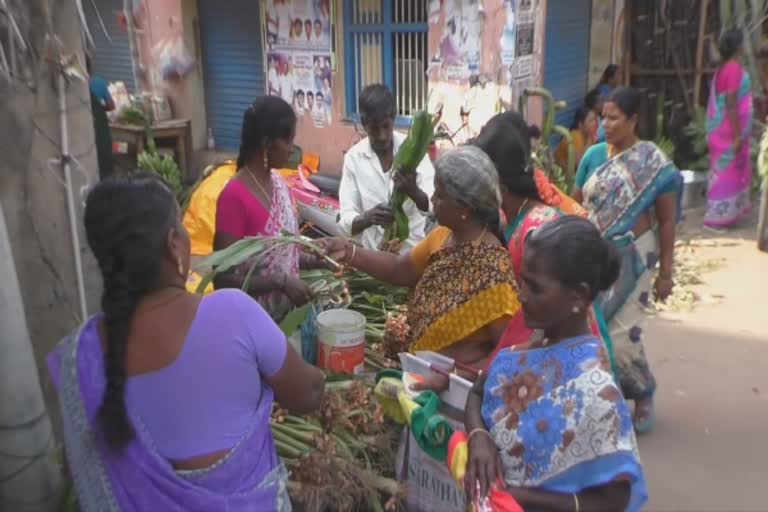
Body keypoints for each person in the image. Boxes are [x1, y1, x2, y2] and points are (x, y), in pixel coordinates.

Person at [47, 173, 325, 510]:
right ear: (174, 244)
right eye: (181, 224)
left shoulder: (80, 356)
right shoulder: (232, 312)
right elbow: (307, 394)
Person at [463, 216, 647, 512]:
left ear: (578, 296)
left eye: (535, 288)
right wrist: (479, 437)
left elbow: (615, 501)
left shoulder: (598, 394)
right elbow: (476, 392)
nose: (521, 295)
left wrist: (521, 498)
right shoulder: (523, 351)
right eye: (522, 281)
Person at [325, 146, 519, 369]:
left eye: (440, 195)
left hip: (455, 392)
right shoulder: (442, 237)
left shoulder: (495, 270)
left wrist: (459, 378)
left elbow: (507, 353)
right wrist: (350, 253)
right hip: (418, 376)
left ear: (464, 207)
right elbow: (399, 268)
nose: (433, 199)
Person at [573, 87, 682, 433]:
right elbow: (575, 206)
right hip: (594, 257)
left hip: (634, 257)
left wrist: (666, 272)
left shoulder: (653, 163)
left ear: (634, 120)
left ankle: (643, 392)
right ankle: (603, 401)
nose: (606, 124)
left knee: (623, 339)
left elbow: (667, 221)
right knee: (590, 333)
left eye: (614, 118)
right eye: (604, 116)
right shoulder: (592, 157)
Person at [471, 111, 614, 372]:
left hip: (570, 354)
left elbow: (537, 314)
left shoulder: (535, 230)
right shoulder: (512, 216)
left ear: (499, 186)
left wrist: (493, 368)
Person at [213, 96, 316, 321]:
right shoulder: (234, 197)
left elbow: (283, 255)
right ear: (267, 144)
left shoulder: (279, 183)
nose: (292, 149)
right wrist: (280, 282)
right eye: (288, 140)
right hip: (251, 324)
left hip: (285, 319)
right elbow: (222, 280)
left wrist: (318, 257)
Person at [338, 84, 435, 252]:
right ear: (364, 124)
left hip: (413, 257)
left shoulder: (415, 151)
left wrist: (414, 191)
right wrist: (368, 218)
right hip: (375, 260)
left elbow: (433, 206)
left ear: (394, 118)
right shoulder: (354, 159)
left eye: (386, 126)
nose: (382, 136)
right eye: (374, 128)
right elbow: (345, 221)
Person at [705, 28, 754, 230]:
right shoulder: (733, 68)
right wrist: (735, 136)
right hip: (728, 131)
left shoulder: (724, 68)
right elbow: (732, 103)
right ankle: (718, 218)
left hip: (723, 129)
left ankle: (727, 213)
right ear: (738, 46)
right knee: (727, 171)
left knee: (727, 170)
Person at [86, 56, 115, 180]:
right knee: (104, 151)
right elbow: (111, 105)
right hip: (100, 123)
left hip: (84, 127)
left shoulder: (76, 83)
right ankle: (107, 180)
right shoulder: (99, 82)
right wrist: (101, 108)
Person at [555, 105, 598, 172]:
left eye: (595, 119)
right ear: (580, 125)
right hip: (561, 175)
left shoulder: (590, 134)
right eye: (591, 121)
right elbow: (581, 166)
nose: (595, 123)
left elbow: (592, 157)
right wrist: (590, 139)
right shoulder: (575, 136)